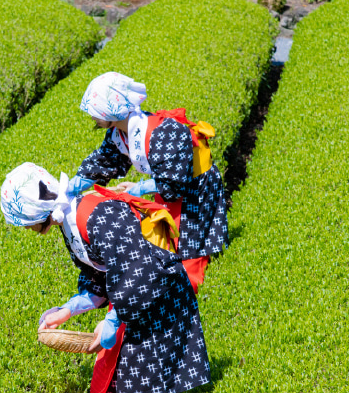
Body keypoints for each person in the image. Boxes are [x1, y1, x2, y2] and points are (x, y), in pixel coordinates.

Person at [1, 162, 212, 393]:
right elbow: (99, 276)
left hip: (156, 298)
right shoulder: (71, 220)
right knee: (128, 390)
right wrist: (68, 310)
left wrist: (113, 319)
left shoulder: (95, 214)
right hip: (140, 299)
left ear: (37, 214)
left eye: (26, 223)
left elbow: (137, 269)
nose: (29, 231)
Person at [64, 71, 229, 291]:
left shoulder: (163, 131)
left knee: (189, 249)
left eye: (95, 110)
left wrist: (140, 188)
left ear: (111, 110)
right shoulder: (118, 133)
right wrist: (71, 186)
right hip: (171, 185)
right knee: (169, 244)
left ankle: (191, 290)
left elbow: (175, 181)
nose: (91, 116)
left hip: (194, 189)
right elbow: (104, 162)